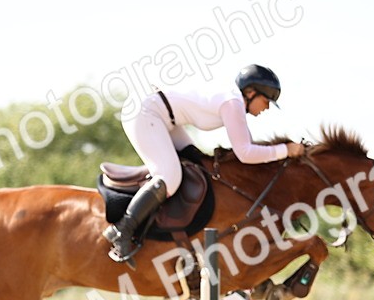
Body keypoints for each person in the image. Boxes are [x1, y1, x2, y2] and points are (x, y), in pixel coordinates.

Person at [103, 64, 307, 263]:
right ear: (251, 92)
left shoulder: (234, 101)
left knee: (198, 164)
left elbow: (247, 147)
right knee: (170, 177)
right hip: (146, 111)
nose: (267, 107)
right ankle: (122, 230)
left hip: (163, 114)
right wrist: (286, 150)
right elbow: (245, 153)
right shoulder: (233, 102)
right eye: (267, 100)